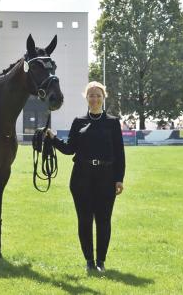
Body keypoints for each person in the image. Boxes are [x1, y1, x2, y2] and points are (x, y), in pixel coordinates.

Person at [46, 81, 125, 272]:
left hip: (106, 177)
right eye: (91, 95)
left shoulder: (113, 123)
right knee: (84, 220)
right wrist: (53, 138)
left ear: (103, 98)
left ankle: (101, 262)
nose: (95, 99)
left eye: (98, 95)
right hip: (81, 177)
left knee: (104, 220)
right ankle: (89, 261)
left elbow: (120, 153)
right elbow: (69, 149)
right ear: (86, 98)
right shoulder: (78, 122)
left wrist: (119, 178)